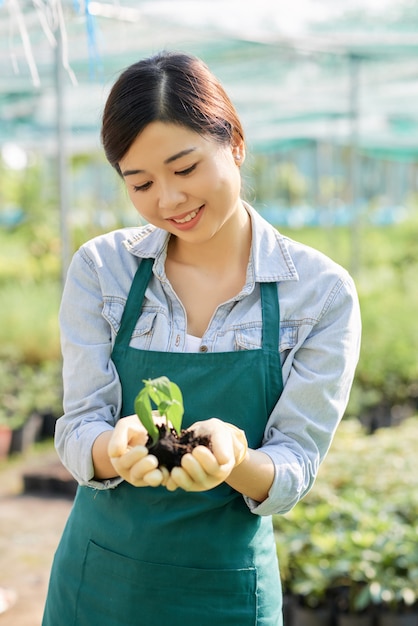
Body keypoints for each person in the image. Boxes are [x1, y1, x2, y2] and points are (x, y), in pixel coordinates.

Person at [42, 51, 361, 626]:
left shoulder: (321, 293)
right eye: (139, 182)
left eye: (185, 169)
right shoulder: (102, 270)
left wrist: (234, 459)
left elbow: (295, 461)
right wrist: (112, 450)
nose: (167, 200)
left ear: (234, 143)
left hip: (227, 590)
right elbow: (78, 421)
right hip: (99, 583)